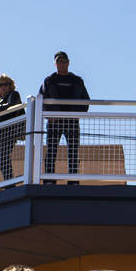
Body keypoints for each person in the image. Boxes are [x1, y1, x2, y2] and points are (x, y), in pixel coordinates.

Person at [40, 51, 90, 183]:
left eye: (64, 61)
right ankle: (49, 179)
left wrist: (76, 114)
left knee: (73, 151)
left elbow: (86, 101)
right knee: (51, 151)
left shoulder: (77, 81)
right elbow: (41, 100)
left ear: (68, 63)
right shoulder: (49, 80)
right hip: (54, 121)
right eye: (58, 61)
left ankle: (73, 179)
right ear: (55, 64)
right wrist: (49, 115)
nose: (61, 64)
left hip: (72, 121)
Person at [0, 73, 24, 181]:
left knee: (3, 158)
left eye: (6, 84)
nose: (3, 87)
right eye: (0, 85)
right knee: (1, 159)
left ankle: (9, 182)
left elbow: (11, 106)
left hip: (9, 132)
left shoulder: (14, 94)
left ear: (10, 85)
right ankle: (8, 181)